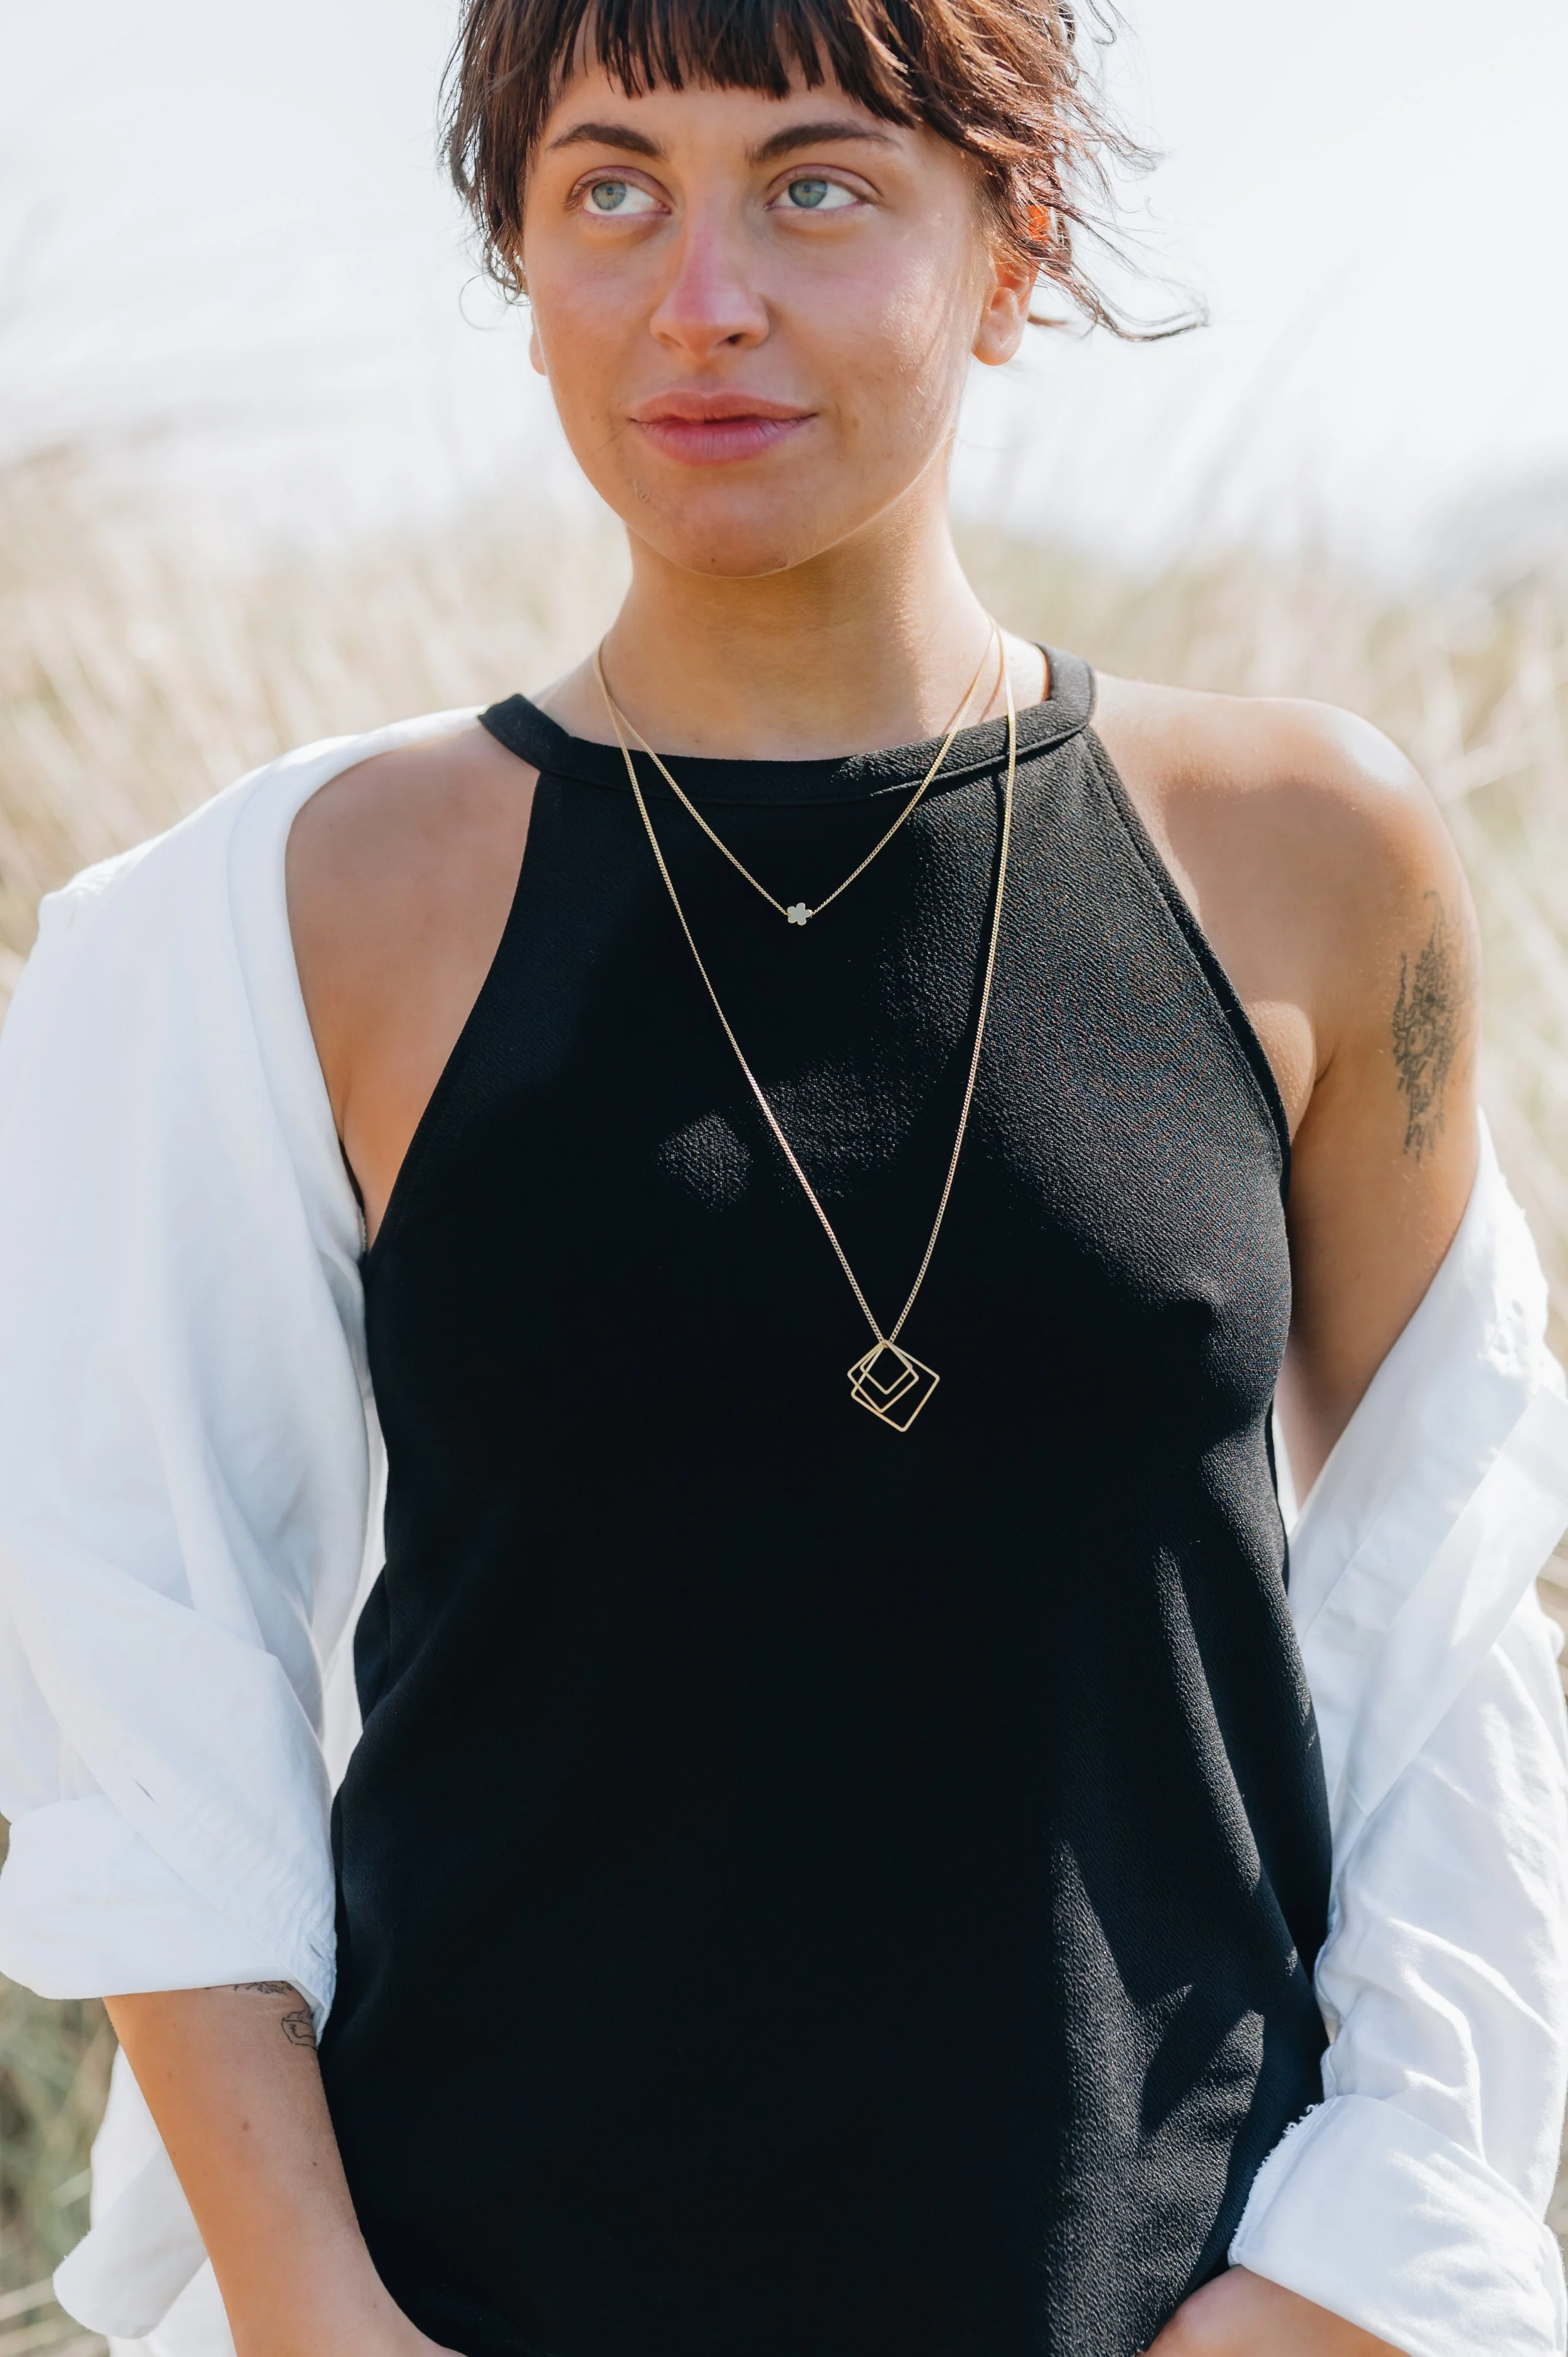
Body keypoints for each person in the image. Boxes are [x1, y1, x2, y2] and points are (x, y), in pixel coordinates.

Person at [1, 0, 1565, 2352]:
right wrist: (321, 2317)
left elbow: (1448, 1612)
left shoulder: (1301, 854)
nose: (698, 297)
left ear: (1008, 248)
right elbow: (143, 1663)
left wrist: (1339, 2289)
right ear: (517, 257)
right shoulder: (283, 915)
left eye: (818, 185)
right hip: (480, 2295)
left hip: (1167, 2303)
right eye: (608, 190)